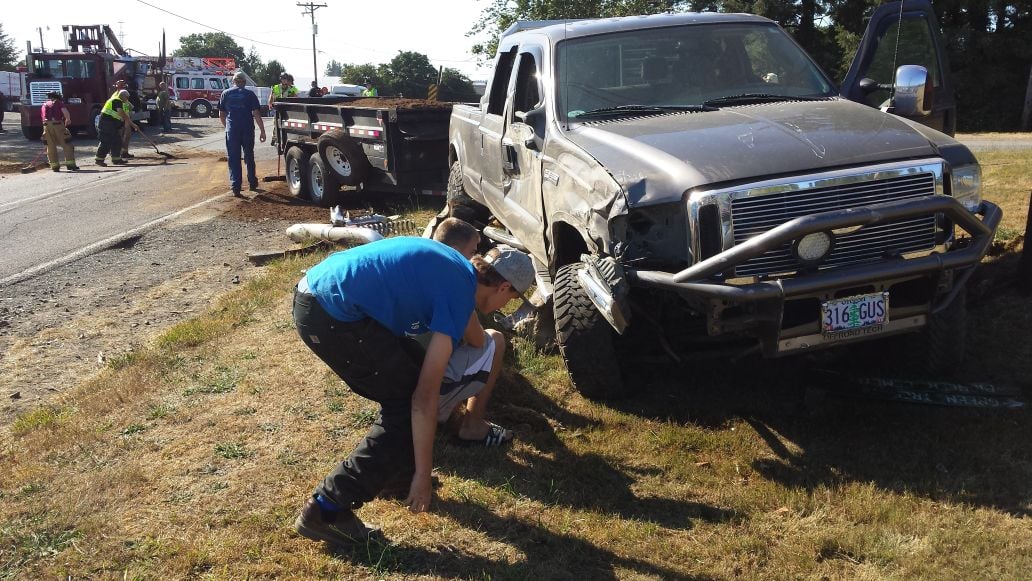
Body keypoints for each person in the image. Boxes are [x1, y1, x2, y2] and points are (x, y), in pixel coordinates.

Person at [291, 236, 533, 547]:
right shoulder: (458, 292)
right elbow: (424, 399)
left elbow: (470, 339)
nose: (505, 306)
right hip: (330, 314)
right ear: (504, 289)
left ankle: (394, 475)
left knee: (407, 378)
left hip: (320, 293)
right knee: (406, 406)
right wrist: (424, 473)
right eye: (511, 300)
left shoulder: (457, 270)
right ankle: (326, 509)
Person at [219, 71, 266, 196]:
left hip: (232, 130)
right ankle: (252, 182)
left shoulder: (225, 94)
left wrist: (228, 127)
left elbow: (222, 114)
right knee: (249, 156)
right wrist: (262, 130)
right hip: (247, 129)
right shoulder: (250, 94)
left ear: (233, 81)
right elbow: (256, 113)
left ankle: (236, 186)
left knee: (234, 158)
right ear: (244, 82)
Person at [95, 89, 139, 166]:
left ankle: (116, 159)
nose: (128, 99)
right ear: (124, 96)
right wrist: (132, 124)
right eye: (127, 97)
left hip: (112, 124)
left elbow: (122, 116)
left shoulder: (120, 102)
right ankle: (99, 160)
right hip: (106, 124)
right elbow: (121, 113)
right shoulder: (116, 100)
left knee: (117, 141)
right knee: (106, 142)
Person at [40, 92, 78, 171]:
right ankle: (70, 164)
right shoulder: (58, 103)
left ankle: (54, 166)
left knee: (50, 147)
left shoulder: (44, 104)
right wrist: (68, 119)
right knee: (67, 143)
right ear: (57, 97)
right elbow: (65, 111)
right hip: (57, 124)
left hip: (46, 126)